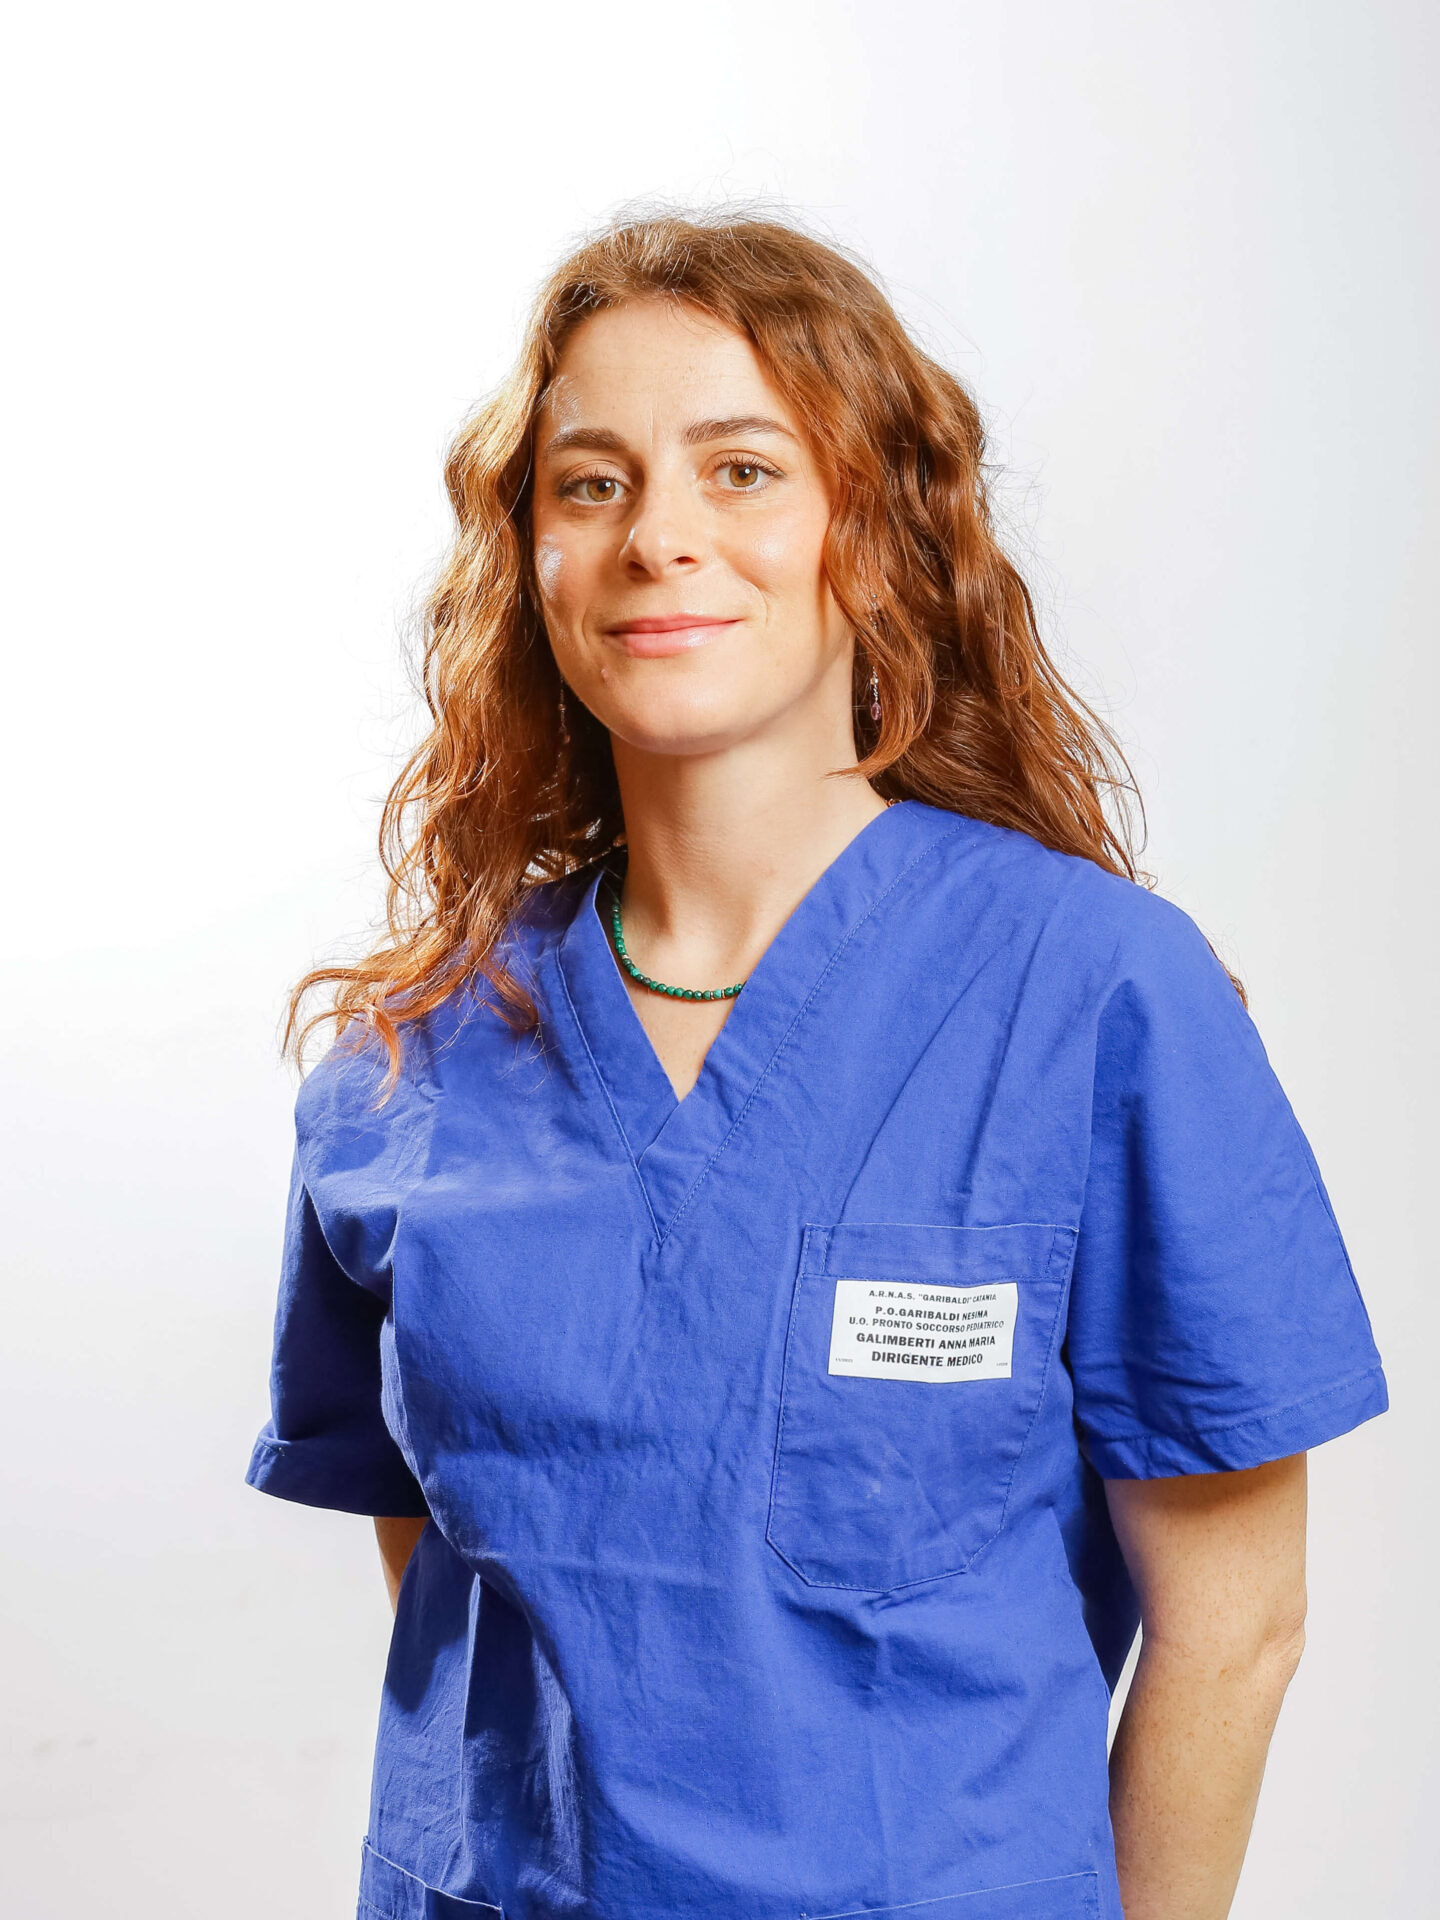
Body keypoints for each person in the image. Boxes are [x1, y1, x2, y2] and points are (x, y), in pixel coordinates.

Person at [246, 211, 1387, 1920]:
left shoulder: (1091, 995)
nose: (660, 538)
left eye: (744, 470)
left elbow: (1237, 1627)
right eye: (592, 484)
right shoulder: (409, 1062)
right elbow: (448, 1563)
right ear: (530, 558)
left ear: (877, 531)